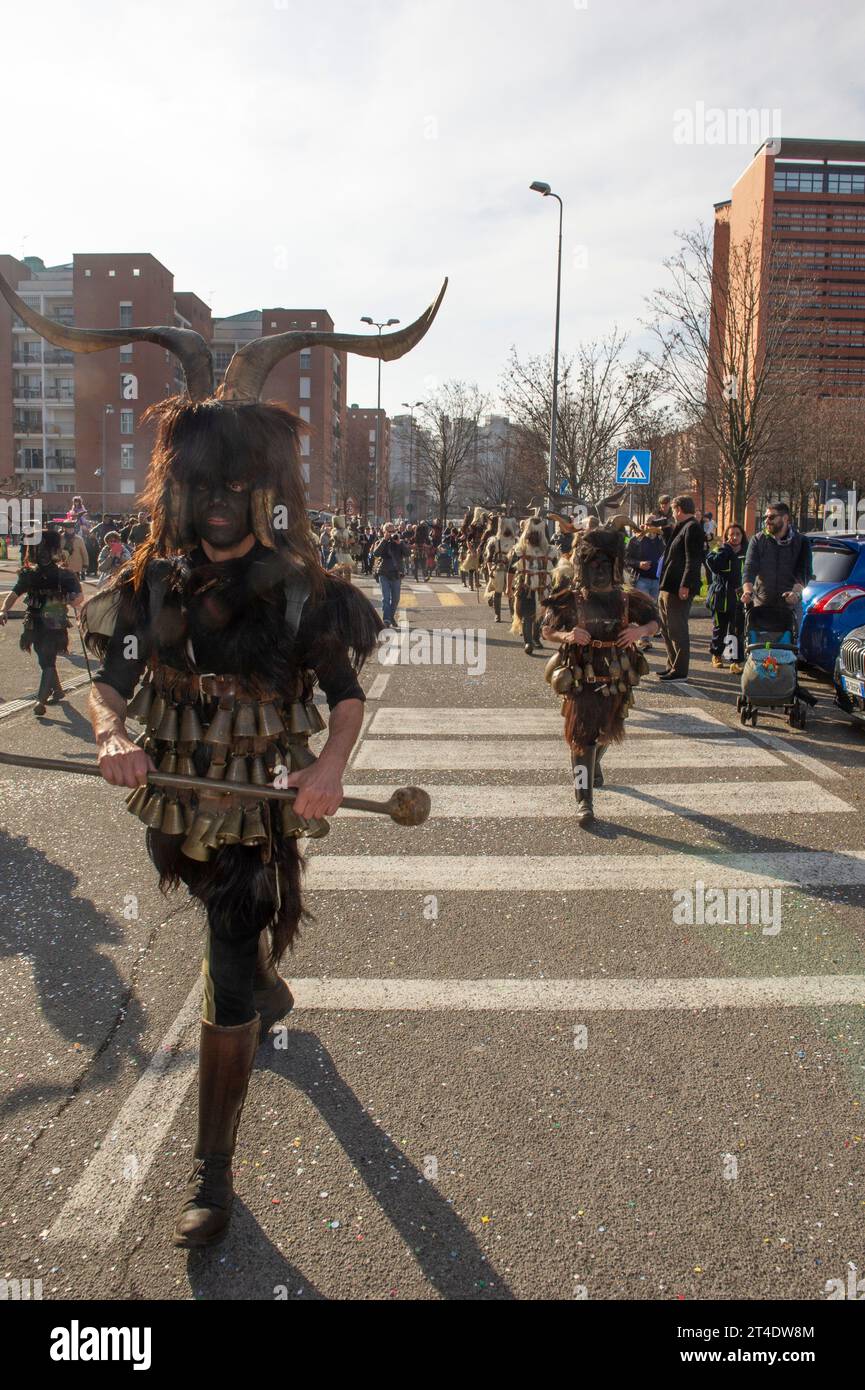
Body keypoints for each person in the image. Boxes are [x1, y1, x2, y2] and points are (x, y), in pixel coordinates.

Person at [0, 263, 445, 1249]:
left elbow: (345, 698)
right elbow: (109, 680)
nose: (218, 508)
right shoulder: (151, 583)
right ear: (186, 488)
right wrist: (113, 734)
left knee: (228, 967)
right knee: (225, 934)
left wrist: (329, 769)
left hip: (259, 814)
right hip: (175, 806)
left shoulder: (299, 590)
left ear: (263, 495)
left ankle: (211, 1176)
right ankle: (265, 984)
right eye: (204, 488)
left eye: (237, 491)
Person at [540, 527, 658, 825]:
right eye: (594, 566)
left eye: (605, 565)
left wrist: (639, 631)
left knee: (606, 733)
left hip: (616, 680)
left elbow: (655, 622)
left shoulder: (628, 599)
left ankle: (595, 765)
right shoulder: (571, 599)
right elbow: (546, 630)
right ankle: (584, 802)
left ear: (614, 565)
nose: (600, 572)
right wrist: (567, 634)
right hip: (582, 681)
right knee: (582, 739)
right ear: (584, 566)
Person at [0, 529, 83, 715]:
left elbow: (79, 598)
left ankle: (40, 700)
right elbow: (15, 593)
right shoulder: (29, 574)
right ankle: (58, 690)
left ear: (53, 551)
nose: (42, 554)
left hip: (55, 622)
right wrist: (4, 609)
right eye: (38, 550)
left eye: (45, 549)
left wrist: (71, 599)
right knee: (43, 658)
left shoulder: (65, 574)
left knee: (48, 660)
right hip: (34, 622)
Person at [741, 502, 811, 637]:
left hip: (789, 607)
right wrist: (748, 592)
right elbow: (749, 569)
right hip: (761, 605)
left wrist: (795, 594)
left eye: (771, 517)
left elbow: (803, 572)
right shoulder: (758, 540)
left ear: (785, 518)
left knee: (788, 652)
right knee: (758, 651)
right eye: (765, 517)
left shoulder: (801, 541)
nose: (767, 520)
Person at [657, 495, 704, 681]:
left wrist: (685, 585)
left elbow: (692, 559)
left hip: (678, 587)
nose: (672, 513)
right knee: (666, 628)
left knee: (677, 628)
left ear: (679, 509)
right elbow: (673, 550)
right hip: (668, 585)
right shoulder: (682, 527)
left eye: (674, 510)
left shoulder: (693, 528)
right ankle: (672, 664)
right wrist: (665, 530)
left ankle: (680, 670)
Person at [509, 510, 555, 655]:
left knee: (539, 616)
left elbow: (557, 572)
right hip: (525, 589)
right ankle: (528, 642)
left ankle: (535, 638)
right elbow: (511, 570)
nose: (534, 536)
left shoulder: (550, 551)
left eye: (537, 533)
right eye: (532, 533)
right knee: (527, 616)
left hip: (543, 590)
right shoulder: (519, 550)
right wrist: (508, 588)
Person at [705, 523, 747, 672]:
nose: (735, 537)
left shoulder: (747, 552)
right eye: (732, 534)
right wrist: (726, 550)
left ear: (742, 536)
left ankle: (734, 661)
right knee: (719, 628)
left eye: (738, 534)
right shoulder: (720, 549)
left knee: (736, 630)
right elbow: (713, 564)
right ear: (727, 536)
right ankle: (716, 654)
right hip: (720, 596)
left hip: (739, 597)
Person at [371, 522, 408, 628]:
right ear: (384, 532)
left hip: (396, 573)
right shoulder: (380, 541)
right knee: (386, 598)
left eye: (393, 531)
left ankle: (390, 616)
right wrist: (384, 540)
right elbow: (376, 554)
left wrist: (400, 543)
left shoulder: (398, 542)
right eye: (389, 531)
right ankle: (386, 620)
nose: (392, 533)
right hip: (384, 573)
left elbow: (407, 553)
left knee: (396, 599)